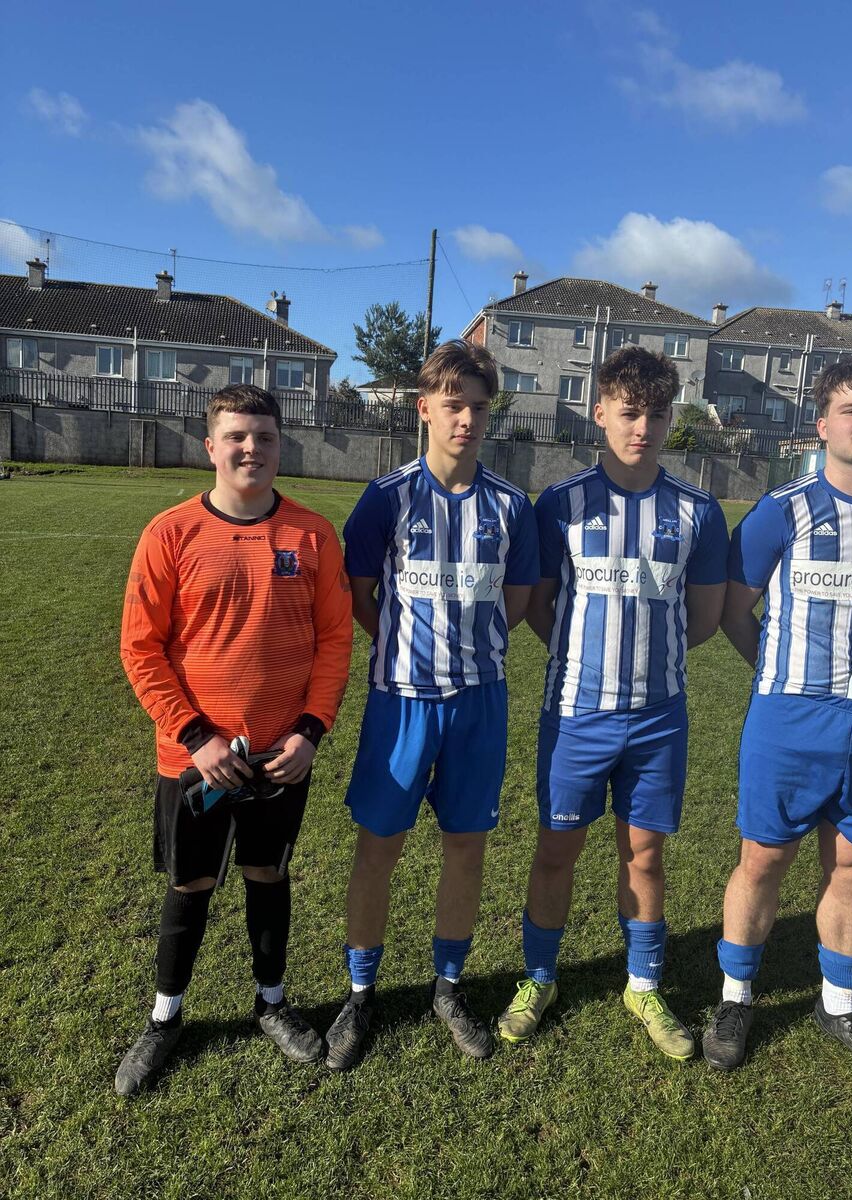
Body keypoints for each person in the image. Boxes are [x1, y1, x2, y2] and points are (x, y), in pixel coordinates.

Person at [116, 383, 353, 1096]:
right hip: (196, 760)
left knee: (267, 875)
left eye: (266, 437)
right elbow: (140, 648)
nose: (252, 449)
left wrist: (311, 732)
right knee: (191, 883)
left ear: (282, 445)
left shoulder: (312, 535)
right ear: (210, 445)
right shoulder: (170, 532)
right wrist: (196, 738)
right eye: (237, 437)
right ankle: (165, 1018)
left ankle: (272, 1004)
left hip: (283, 756)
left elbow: (336, 639)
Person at [497, 345, 728, 1058]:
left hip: (659, 718)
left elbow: (707, 616)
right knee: (556, 851)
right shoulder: (559, 504)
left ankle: (643, 981)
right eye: (629, 413)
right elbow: (538, 604)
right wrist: (583, 652)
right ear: (600, 413)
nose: (643, 428)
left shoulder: (697, 512)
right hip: (575, 713)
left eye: (657, 415)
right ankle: (540, 975)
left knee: (646, 856)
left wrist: (641, 663)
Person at [323, 339, 539, 1070]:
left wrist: (468, 649)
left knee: (465, 848)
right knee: (377, 848)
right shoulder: (387, 497)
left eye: (479, 408)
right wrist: (407, 651)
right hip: (402, 704)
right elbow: (359, 595)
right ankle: (361, 992)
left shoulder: (512, 505)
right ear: (424, 409)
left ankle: (448, 985)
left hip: (480, 704)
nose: (467, 420)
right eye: (454, 406)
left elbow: (519, 597)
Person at [702, 355, 852, 1079]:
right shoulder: (782, 510)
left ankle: (840, 1005)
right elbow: (733, 609)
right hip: (788, 718)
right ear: (822, 425)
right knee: (764, 858)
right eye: (851, 409)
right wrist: (780, 677)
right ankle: (737, 995)